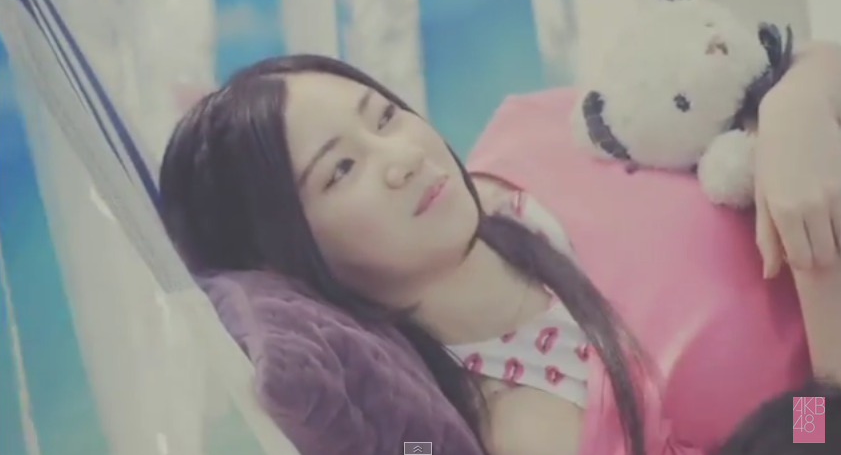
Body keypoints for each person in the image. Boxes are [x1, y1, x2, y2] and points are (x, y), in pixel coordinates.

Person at [157, 43, 841, 455]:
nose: (400, 159)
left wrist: (794, 107)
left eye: (384, 117)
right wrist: (828, 361)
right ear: (283, 259)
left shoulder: (540, 135)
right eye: (340, 170)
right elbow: (812, 434)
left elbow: (772, 63)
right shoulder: (522, 425)